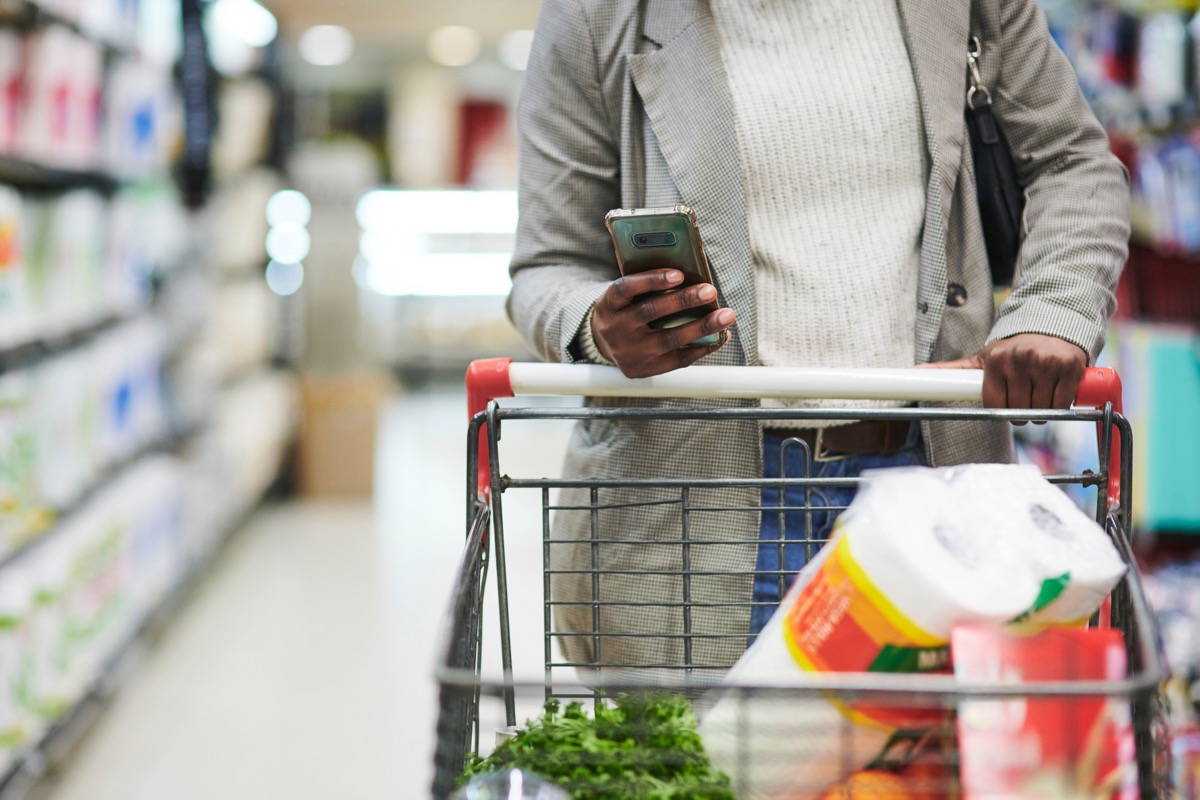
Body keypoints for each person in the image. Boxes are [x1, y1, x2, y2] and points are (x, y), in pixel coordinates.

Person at [506, 0, 1129, 673]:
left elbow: (1073, 164)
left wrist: (1050, 312)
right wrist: (599, 326)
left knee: (913, 776)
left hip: (929, 483)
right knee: (702, 770)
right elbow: (547, 268)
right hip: (689, 511)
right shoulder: (597, 15)